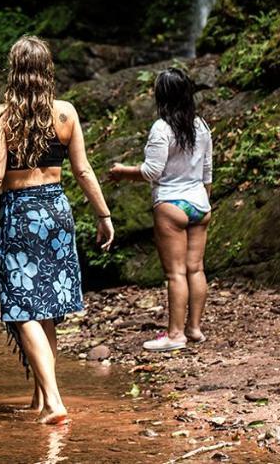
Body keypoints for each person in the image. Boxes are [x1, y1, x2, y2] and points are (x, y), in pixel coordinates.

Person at [0, 35, 116, 425]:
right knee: (45, 309)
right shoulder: (66, 113)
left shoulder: (0, 116)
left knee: (21, 306)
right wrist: (103, 214)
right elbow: (82, 170)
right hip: (57, 211)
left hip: (20, 215)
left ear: (14, 70)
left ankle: (56, 401)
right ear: (48, 71)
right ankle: (41, 399)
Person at [109, 66, 213, 351]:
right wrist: (205, 202)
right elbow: (207, 172)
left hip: (172, 205)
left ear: (161, 96)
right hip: (199, 205)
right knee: (196, 269)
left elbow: (152, 171)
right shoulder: (201, 126)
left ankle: (175, 335)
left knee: (176, 273)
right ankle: (194, 329)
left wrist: (122, 172)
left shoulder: (162, 128)